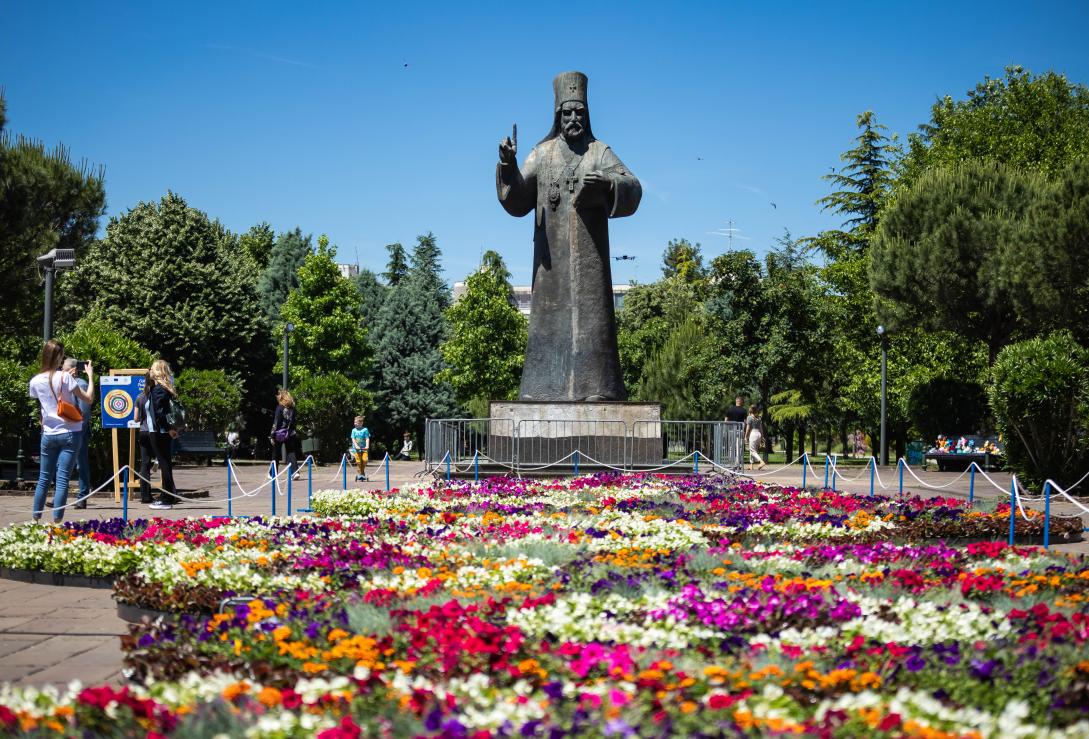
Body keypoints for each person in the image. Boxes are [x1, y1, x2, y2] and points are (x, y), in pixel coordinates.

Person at [497, 71, 641, 401]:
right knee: (547, 325)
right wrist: (508, 166)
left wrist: (607, 186)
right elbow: (518, 199)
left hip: (590, 263)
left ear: (587, 115)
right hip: (551, 270)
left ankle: (600, 391)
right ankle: (541, 390)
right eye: (567, 113)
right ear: (557, 116)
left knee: (595, 325)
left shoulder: (599, 152)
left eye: (579, 112)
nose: (573, 118)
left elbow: (633, 187)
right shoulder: (543, 153)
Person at [27, 340, 94, 522]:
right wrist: (90, 376)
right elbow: (88, 399)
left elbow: (40, 404)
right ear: (58, 357)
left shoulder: (35, 380)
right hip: (71, 432)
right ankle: (56, 521)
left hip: (48, 434)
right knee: (63, 479)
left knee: (44, 478)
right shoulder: (65, 377)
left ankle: (35, 519)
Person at [135, 361, 181, 509]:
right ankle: (168, 496)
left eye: (152, 368)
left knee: (164, 464)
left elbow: (159, 413)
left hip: (159, 431)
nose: (149, 370)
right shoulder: (158, 388)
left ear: (158, 371)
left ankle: (166, 499)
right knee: (165, 464)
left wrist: (168, 429)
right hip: (159, 431)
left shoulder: (159, 389)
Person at [63, 358, 92, 509]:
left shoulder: (81, 384)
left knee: (81, 464)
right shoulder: (63, 383)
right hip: (65, 429)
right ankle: (59, 497)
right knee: (63, 464)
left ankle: (83, 497)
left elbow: (85, 412)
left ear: (73, 370)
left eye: (64, 369)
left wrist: (80, 429)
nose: (62, 372)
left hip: (78, 430)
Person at [270, 389, 301, 481]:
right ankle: (295, 472)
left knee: (276, 453)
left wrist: (272, 435)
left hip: (279, 433)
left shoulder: (279, 408)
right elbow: (294, 422)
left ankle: (272, 474)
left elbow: (276, 422)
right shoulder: (293, 409)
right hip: (290, 433)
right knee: (291, 452)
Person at [744, 405, 767, 472]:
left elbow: (748, 429)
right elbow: (761, 428)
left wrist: (746, 436)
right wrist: (762, 437)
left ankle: (761, 461)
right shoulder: (759, 418)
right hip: (758, 434)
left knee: (752, 450)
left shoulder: (749, 417)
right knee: (753, 450)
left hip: (753, 434)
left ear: (750, 410)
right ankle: (751, 465)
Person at [350, 415, 370, 482]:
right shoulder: (353, 430)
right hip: (356, 449)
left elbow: (367, 438)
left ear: (361, 423)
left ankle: (361, 472)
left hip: (364, 448)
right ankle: (361, 473)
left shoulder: (365, 430)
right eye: (354, 422)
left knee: (365, 460)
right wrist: (356, 446)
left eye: (357, 423)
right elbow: (353, 439)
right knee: (358, 461)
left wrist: (367, 446)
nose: (355, 424)